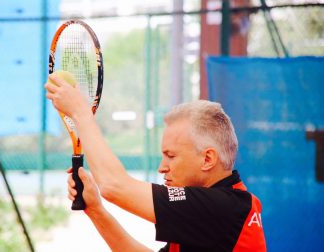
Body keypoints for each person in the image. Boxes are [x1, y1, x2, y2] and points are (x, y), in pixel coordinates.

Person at [45, 74, 267, 252]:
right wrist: (96, 210)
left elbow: (114, 186)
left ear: (207, 159)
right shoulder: (215, 210)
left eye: (171, 156)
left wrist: (80, 113)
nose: (162, 167)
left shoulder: (223, 207)